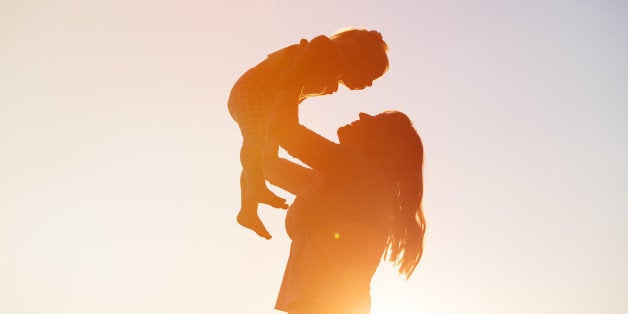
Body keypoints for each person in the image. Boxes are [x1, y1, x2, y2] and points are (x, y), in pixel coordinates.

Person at [265, 80, 426, 313]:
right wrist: (259, 114)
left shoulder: (364, 174)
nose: (362, 114)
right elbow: (269, 167)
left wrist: (295, 75)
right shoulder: (339, 181)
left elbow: (283, 130)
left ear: (381, 144)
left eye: (376, 120)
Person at [228, 28, 389, 239]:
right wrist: (295, 75)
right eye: (369, 75)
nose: (368, 84)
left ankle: (247, 211)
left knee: (264, 158)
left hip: (268, 102)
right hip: (254, 91)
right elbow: (319, 42)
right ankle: (255, 188)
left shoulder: (329, 72)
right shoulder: (332, 54)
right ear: (357, 56)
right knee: (255, 140)